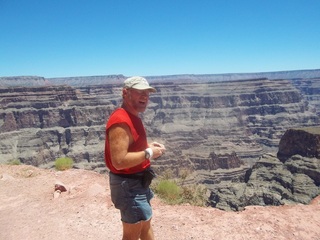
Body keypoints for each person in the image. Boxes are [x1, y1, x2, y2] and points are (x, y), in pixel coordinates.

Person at [104, 76, 166, 240]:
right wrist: (149, 153)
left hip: (138, 181)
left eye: (147, 93)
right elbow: (119, 161)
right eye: (139, 92)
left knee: (145, 223)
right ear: (126, 93)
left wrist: (146, 147)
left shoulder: (132, 115)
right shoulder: (120, 120)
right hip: (128, 185)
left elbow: (130, 146)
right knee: (132, 233)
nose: (145, 97)